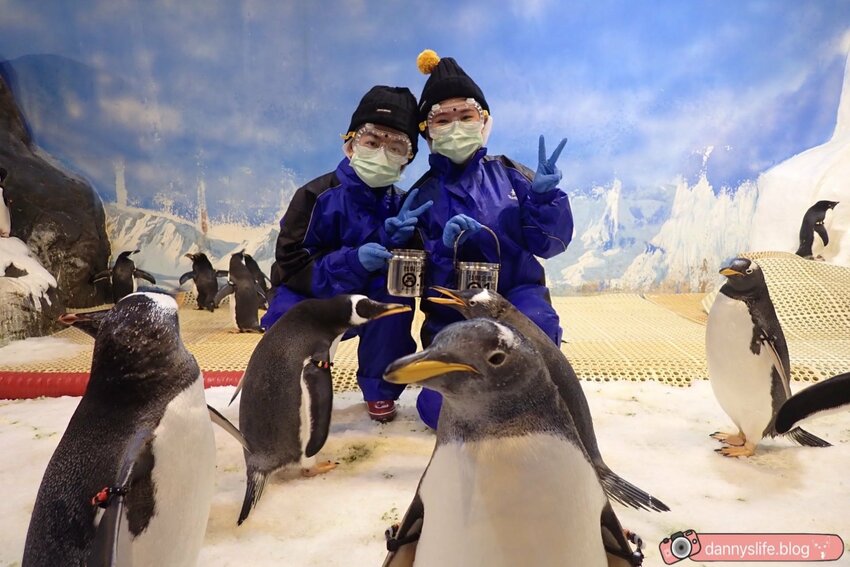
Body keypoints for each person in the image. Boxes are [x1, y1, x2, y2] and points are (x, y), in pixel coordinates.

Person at [408, 50, 575, 428]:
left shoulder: (512, 174)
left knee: (536, 330)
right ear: (427, 131)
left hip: (517, 297)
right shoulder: (419, 197)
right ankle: (501, 408)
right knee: (436, 410)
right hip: (453, 312)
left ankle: (529, 403)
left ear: (484, 121)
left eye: (466, 116)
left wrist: (545, 199)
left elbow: (550, 243)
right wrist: (442, 250)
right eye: (442, 119)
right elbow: (416, 281)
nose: (456, 126)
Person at [263, 85, 431, 423]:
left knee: (395, 306)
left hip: (370, 297)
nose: (382, 153)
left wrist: (407, 241)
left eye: (396, 146)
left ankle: (380, 390)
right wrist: (352, 261)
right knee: (288, 322)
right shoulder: (315, 196)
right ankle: (283, 387)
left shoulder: (403, 204)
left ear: (407, 159)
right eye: (372, 141)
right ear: (351, 143)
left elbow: (412, 274)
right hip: (312, 293)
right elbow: (292, 263)